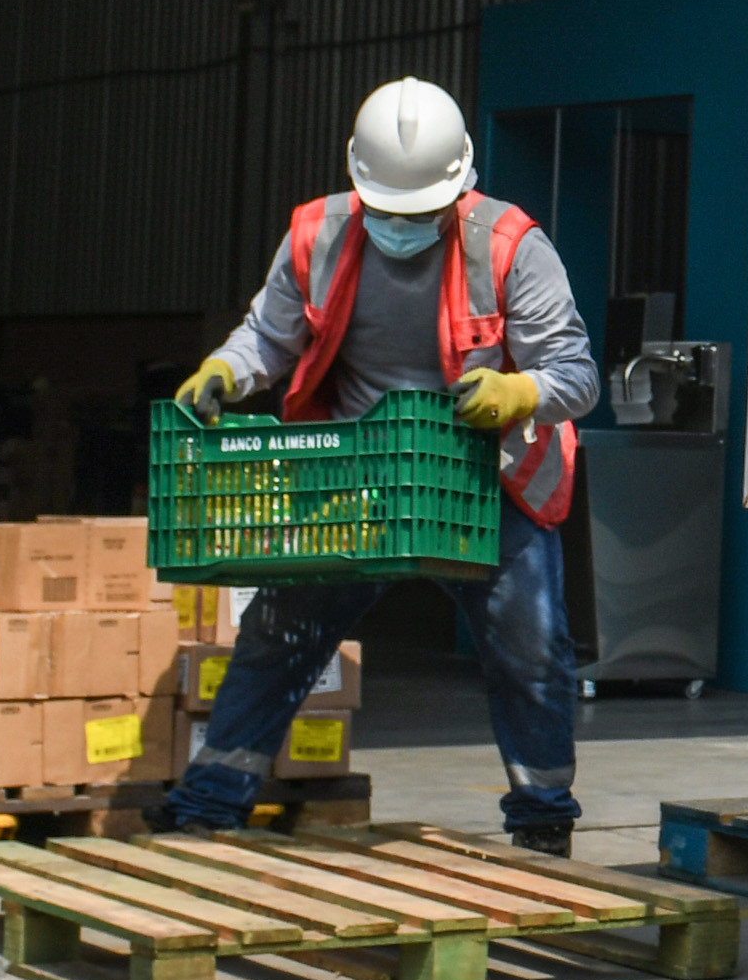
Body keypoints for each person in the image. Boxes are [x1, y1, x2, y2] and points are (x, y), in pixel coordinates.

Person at [164, 79, 600, 849]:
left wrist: (520, 388)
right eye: (390, 214)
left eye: (422, 215)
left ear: (460, 183)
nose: (405, 227)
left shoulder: (510, 245)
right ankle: (211, 800)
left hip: (483, 474)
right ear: (359, 185)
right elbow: (268, 336)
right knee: (282, 628)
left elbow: (577, 374)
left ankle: (542, 820)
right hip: (361, 468)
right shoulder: (316, 236)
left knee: (531, 646)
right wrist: (229, 370)